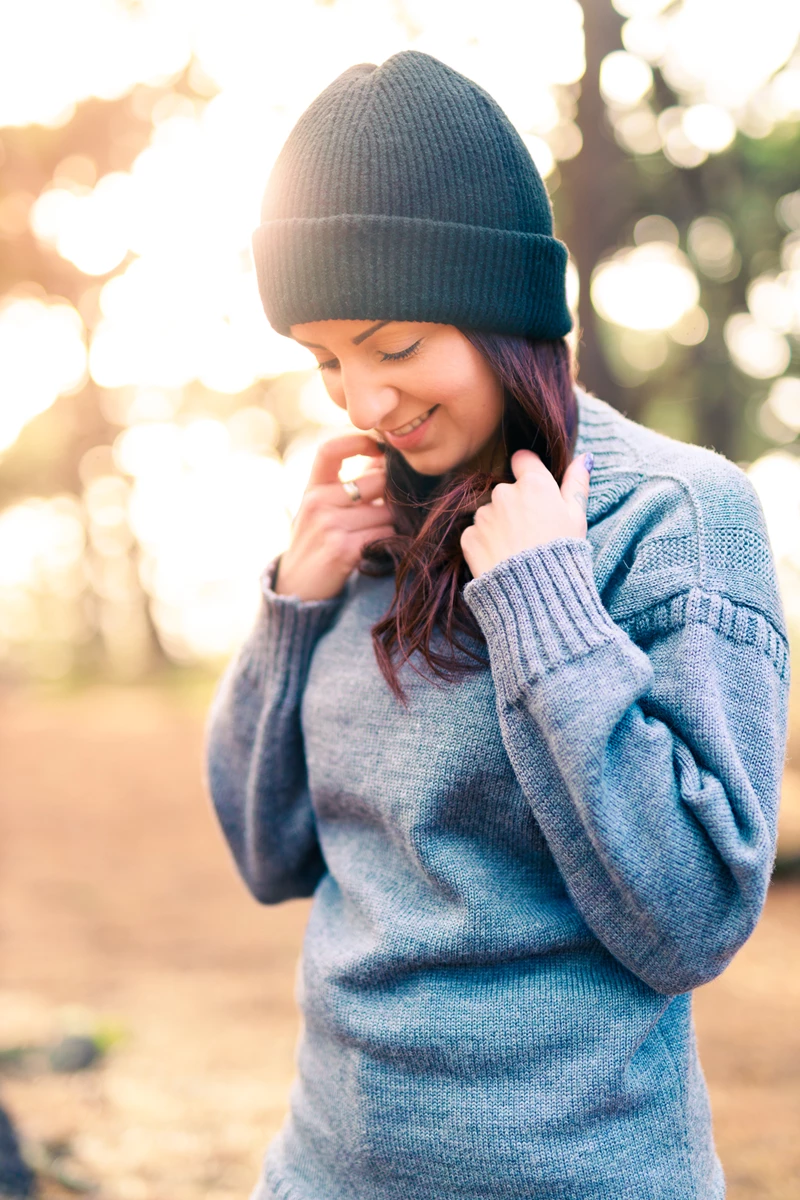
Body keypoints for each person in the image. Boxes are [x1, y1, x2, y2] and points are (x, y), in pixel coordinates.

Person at [205, 51, 789, 1200]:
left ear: (505, 310)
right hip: (323, 1171)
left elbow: (690, 923)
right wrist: (292, 607)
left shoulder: (671, 516)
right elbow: (268, 856)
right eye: (325, 360)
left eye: (395, 344)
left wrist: (548, 615)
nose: (365, 402)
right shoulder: (370, 517)